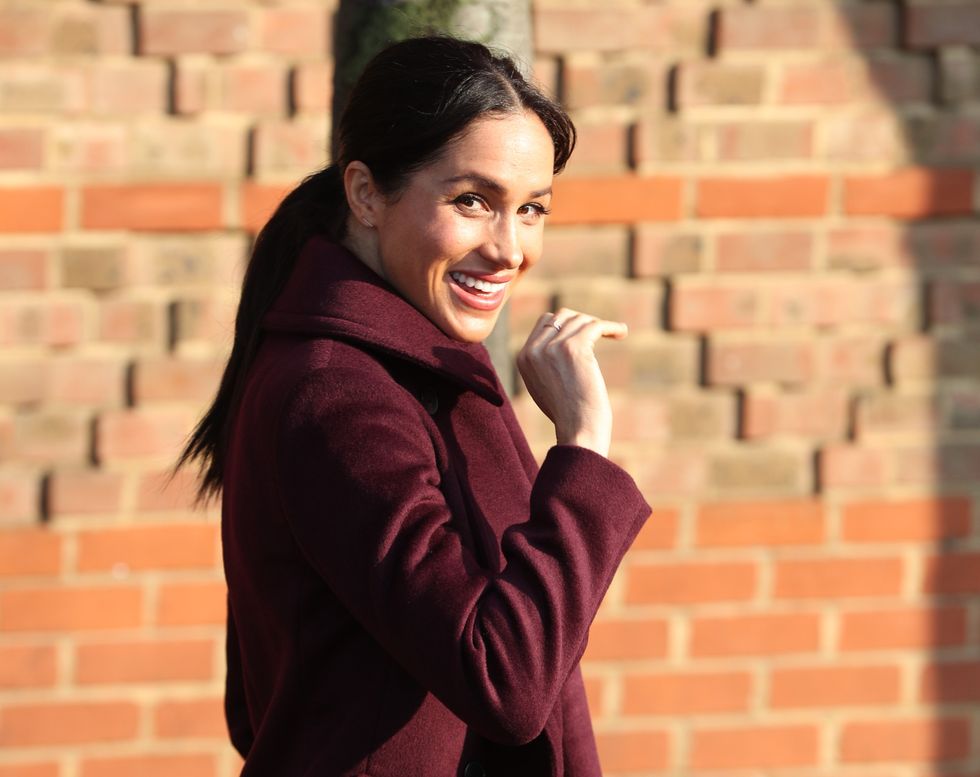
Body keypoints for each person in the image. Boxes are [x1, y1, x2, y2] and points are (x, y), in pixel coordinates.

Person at [178, 35, 650, 777]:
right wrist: (583, 445)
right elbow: (508, 680)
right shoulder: (338, 394)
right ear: (366, 192)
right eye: (472, 201)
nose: (509, 248)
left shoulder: (409, 365)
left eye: (531, 209)